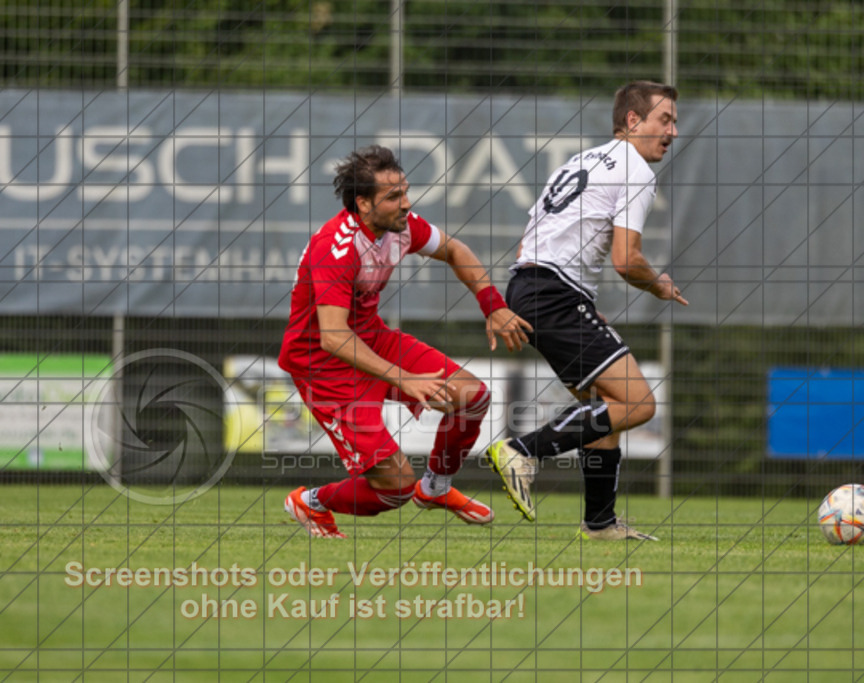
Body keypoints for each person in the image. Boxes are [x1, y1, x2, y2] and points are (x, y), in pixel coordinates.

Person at [279, 144, 531, 538]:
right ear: (363, 203)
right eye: (393, 196)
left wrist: (493, 306)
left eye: (405, 191)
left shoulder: (401, 226)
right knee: (394, 487)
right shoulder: (336, 247)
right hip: (323, 364)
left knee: (471, 396)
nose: (406, 203)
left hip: (372, 339)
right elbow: (332, 336)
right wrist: (404, 379)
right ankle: (311, 501)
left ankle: (435, 489)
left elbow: (455, 250)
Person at [487, 81, 688, 541]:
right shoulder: (635, 169)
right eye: (665, 120)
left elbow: (530, 237)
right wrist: (658, 284)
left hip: (529, 285)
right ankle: (523, 449)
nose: (673, 131)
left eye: (675, 122)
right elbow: (626, 260)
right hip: (555, 294)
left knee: (602, 409)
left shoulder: (580, 160)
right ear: (633, 121)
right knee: (637, 403)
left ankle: (600, 523)